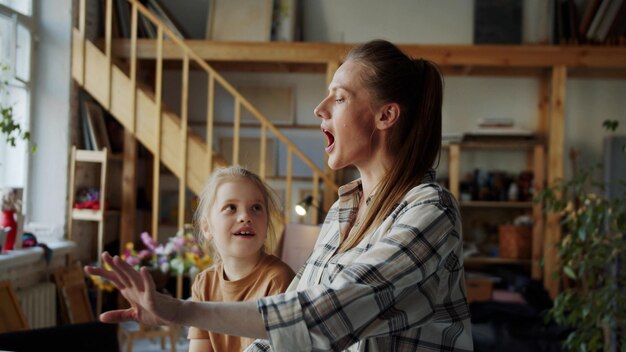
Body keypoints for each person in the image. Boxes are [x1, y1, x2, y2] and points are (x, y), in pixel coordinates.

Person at [86, 39, 473, 351]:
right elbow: (286, 330)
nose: (319, 108)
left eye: (338, 98)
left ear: (385, 116)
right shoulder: (344, 209)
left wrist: (180, 310)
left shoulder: (430, 210)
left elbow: (324, 314)